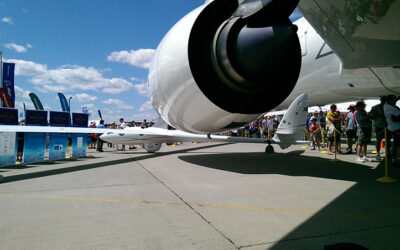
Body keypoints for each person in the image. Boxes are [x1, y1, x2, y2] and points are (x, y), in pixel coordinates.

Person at [369, 96, 388, 161]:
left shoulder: (388, 107)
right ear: (381, 100)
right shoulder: (375, 107)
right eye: (383, 100)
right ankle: (378, 154)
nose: (384, 102)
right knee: (378, 140)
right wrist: (378, 115)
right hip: (379, 126)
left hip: (387, 126)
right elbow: (370, 116)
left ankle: (388, 154)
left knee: (388, 140)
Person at [384, 95, 400, 167]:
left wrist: (398, 98)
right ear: (390, 100)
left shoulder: (386, 105)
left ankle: (393, 159)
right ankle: (393, 161)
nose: (394, 101)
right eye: (393, 100)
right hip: (396, 129)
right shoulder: (391, 108)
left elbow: (392, 101)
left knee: (395, 145)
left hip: (391, 128)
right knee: (396, 145)